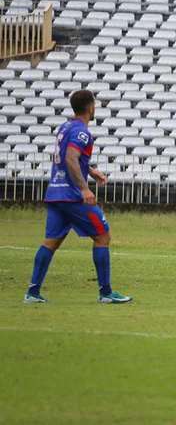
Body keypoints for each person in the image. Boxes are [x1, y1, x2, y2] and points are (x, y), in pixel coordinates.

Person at [24, 89, 133, 303]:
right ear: (90, 107)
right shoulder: (82, 132)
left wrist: (91, 171)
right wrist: (84, 188)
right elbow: (71, 158)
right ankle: (106, 292)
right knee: (103, 236)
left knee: (50, 243)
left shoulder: (65, 127)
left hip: (55, 193)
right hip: (72, 196)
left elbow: (68, 156)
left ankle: (32, 292)